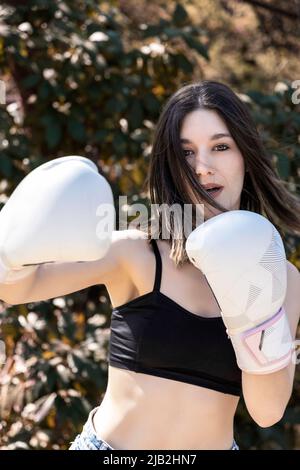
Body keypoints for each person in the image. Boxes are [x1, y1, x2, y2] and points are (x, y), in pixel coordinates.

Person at [1, 81, 300, 450]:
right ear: (171, 163)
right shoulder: (137, 253)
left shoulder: (281, 277)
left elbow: (267, 411)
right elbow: (17, 288)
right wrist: (12, 245)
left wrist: (254, 314)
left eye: (220, 147)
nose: (203, 168)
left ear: (245, 156)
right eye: (186, 152)